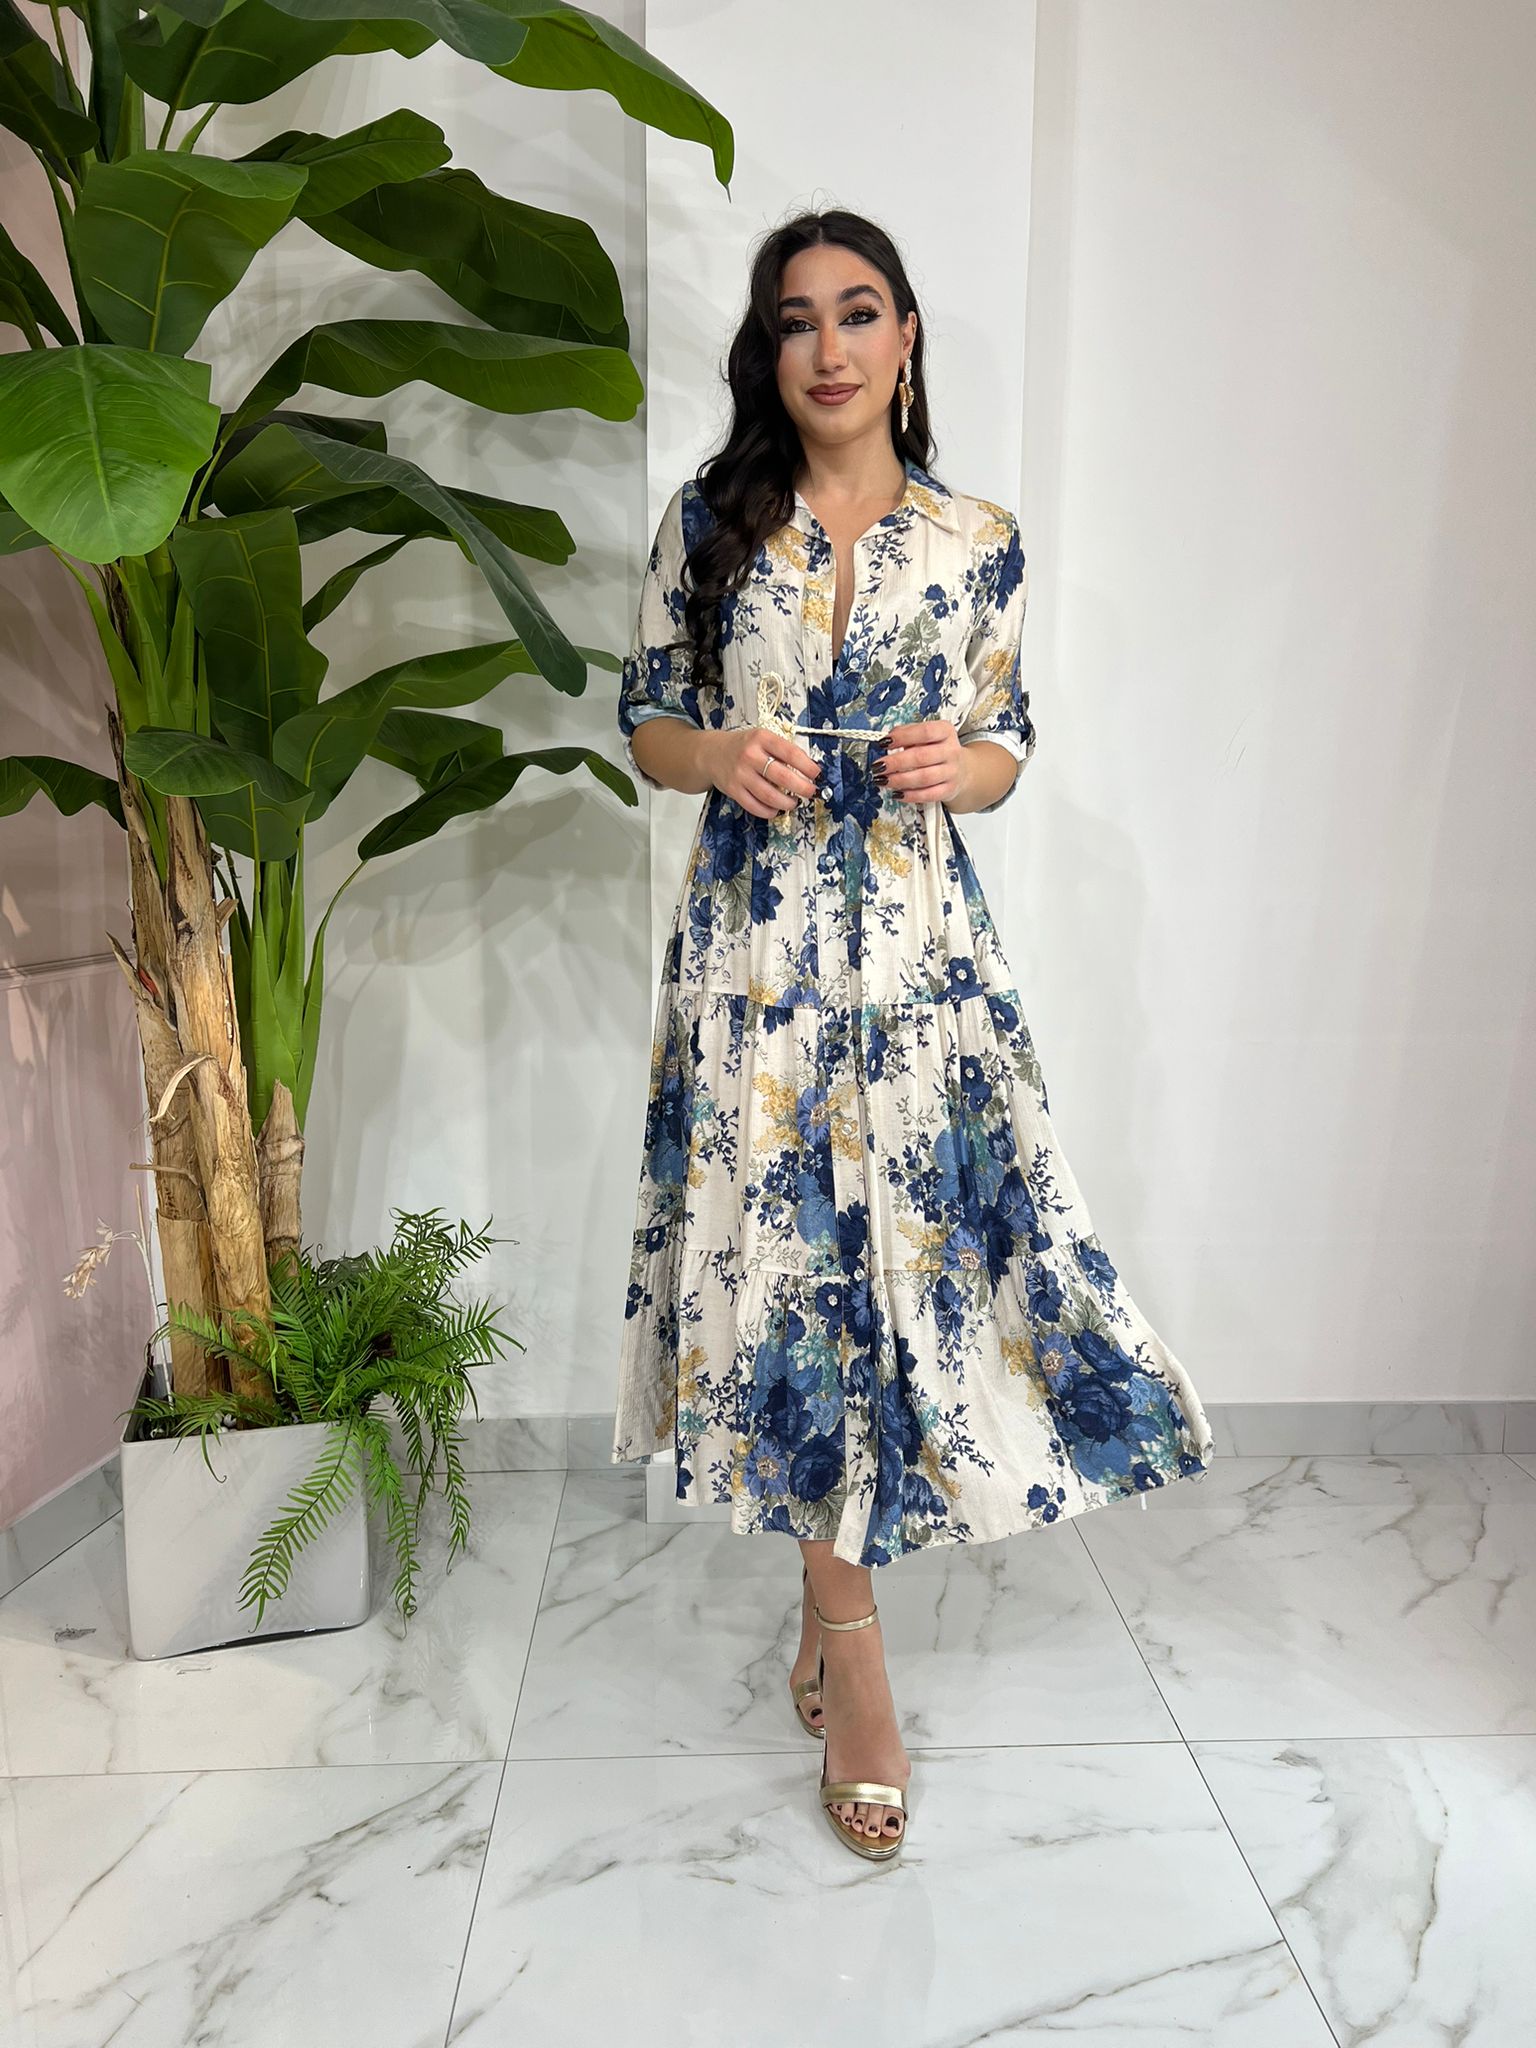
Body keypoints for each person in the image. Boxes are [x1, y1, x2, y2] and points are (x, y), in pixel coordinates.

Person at [610, 209, 1216, 1862]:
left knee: (911, 1291)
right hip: (757, 970)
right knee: (793, 1290)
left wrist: (970, 771)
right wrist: (717, 754)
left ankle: (831, 1614)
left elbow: (1009, 737)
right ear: (770, 350)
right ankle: (857, 1657)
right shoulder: (711, 525)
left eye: (858, 312)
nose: (829, 347)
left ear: (907, 336)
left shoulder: (979, 539)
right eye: (797, 319)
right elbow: (647, 715)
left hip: (920, 968)